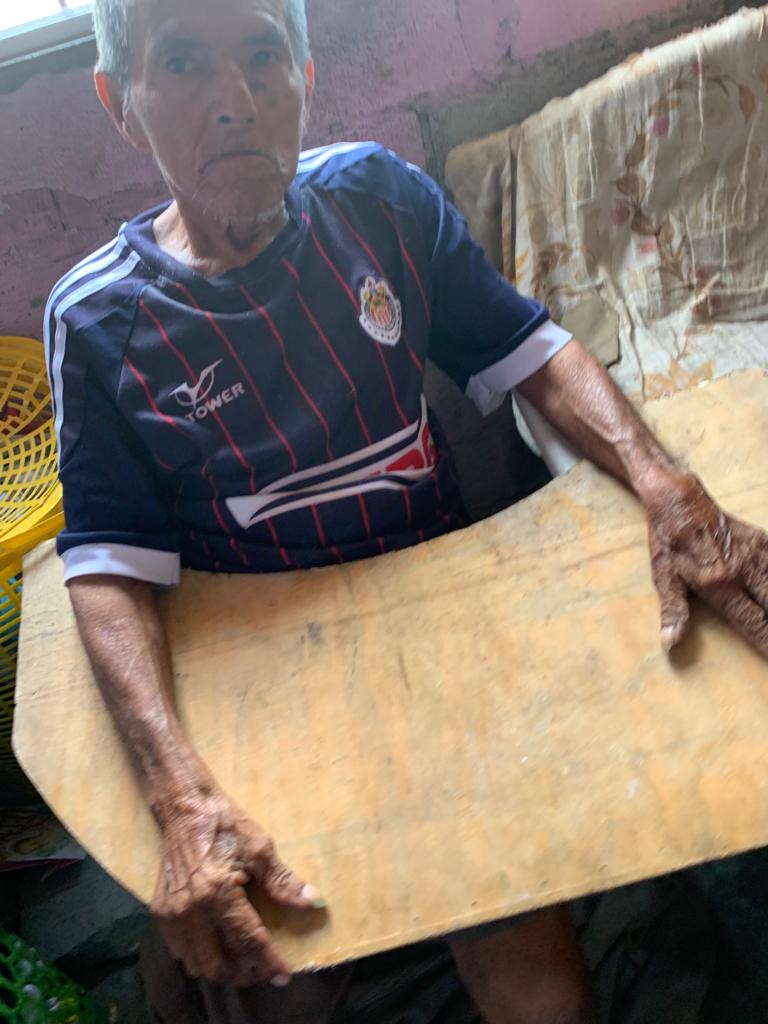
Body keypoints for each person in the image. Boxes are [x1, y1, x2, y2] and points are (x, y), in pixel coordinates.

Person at [44, 0, 768, 1021]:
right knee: (265, 967)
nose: (235, 100)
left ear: (306, 76)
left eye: (263, 54)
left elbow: (532, 350)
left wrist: (669, 489)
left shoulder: (378, 201)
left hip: (435, 646)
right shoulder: (99, 319)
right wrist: (177, 791)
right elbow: (108, 567)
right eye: (184, 65)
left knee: (538, 980)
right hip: (262, 676)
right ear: (121, 104)